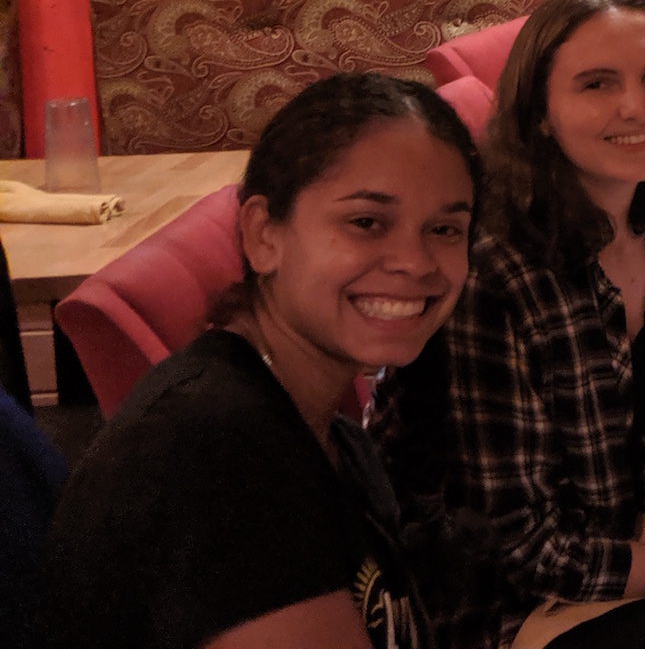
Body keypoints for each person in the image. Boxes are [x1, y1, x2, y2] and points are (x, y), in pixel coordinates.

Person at [44, 74, 481, 649]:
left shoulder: (335, 438)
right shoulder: (213, 453)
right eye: (366, 222)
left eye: (445, 229)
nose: (415, 261)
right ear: (262, 235)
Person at [375, 0, 645, 649]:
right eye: (596, 85)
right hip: (508, 608)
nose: (637, 106)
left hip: (621, 526)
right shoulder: (493, 275)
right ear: (540, 112)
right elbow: (516, 547)